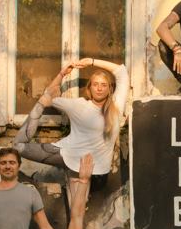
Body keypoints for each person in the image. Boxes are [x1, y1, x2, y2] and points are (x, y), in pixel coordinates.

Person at [15, 57, 129, 191]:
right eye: (95, 84)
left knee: (79, 208)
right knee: (18, 146)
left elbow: (121, 72)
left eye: (103, 85)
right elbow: (47, 96)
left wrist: (91, 61)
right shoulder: (78, 105)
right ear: (89, 88)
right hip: (68, 157)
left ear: (110, 89)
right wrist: (62, 74)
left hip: (98, 172)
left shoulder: (116, 105)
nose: (99, 88)